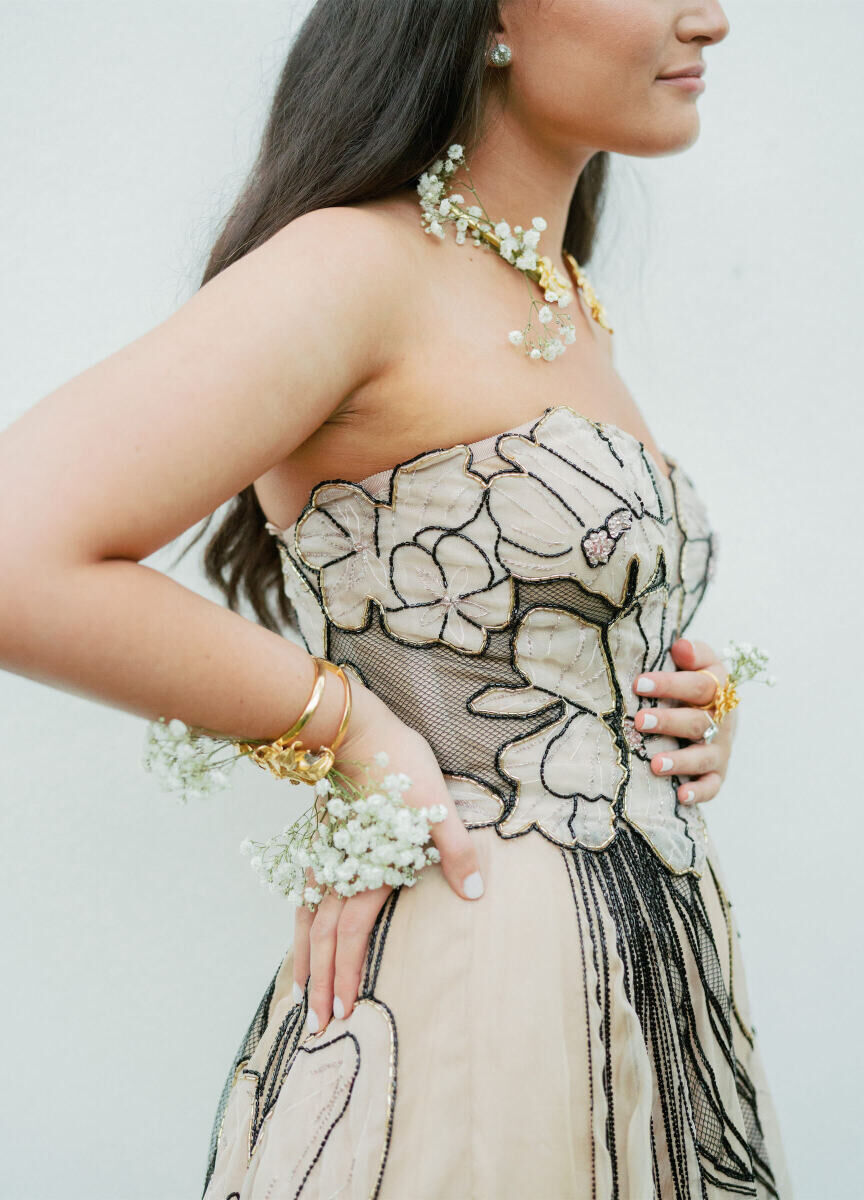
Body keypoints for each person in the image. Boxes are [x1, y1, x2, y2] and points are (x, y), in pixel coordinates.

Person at [0, 1, 794, 1197]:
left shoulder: (560, 297)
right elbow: (17, 555)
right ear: (491, 18)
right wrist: (348, 731)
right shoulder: (357, 264)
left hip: (650, 975)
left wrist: (671, 706)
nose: (710, 18)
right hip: (489, 957)